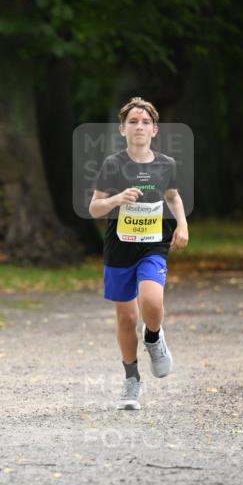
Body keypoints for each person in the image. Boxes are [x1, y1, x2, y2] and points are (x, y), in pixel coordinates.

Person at [89, 96, 189, 411]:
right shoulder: (112, 164)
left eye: (145, 122)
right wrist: (117, 198)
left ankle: (154, 337)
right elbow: (94, 208)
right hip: (119, 248)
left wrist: (182, 226)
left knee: (152, 300)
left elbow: (173, 197)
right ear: (122, 129)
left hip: (153, 245)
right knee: (127, 316)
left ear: (155, 130)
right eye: (133, 121)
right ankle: (131, 378)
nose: (139, 126)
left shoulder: (166, 164)